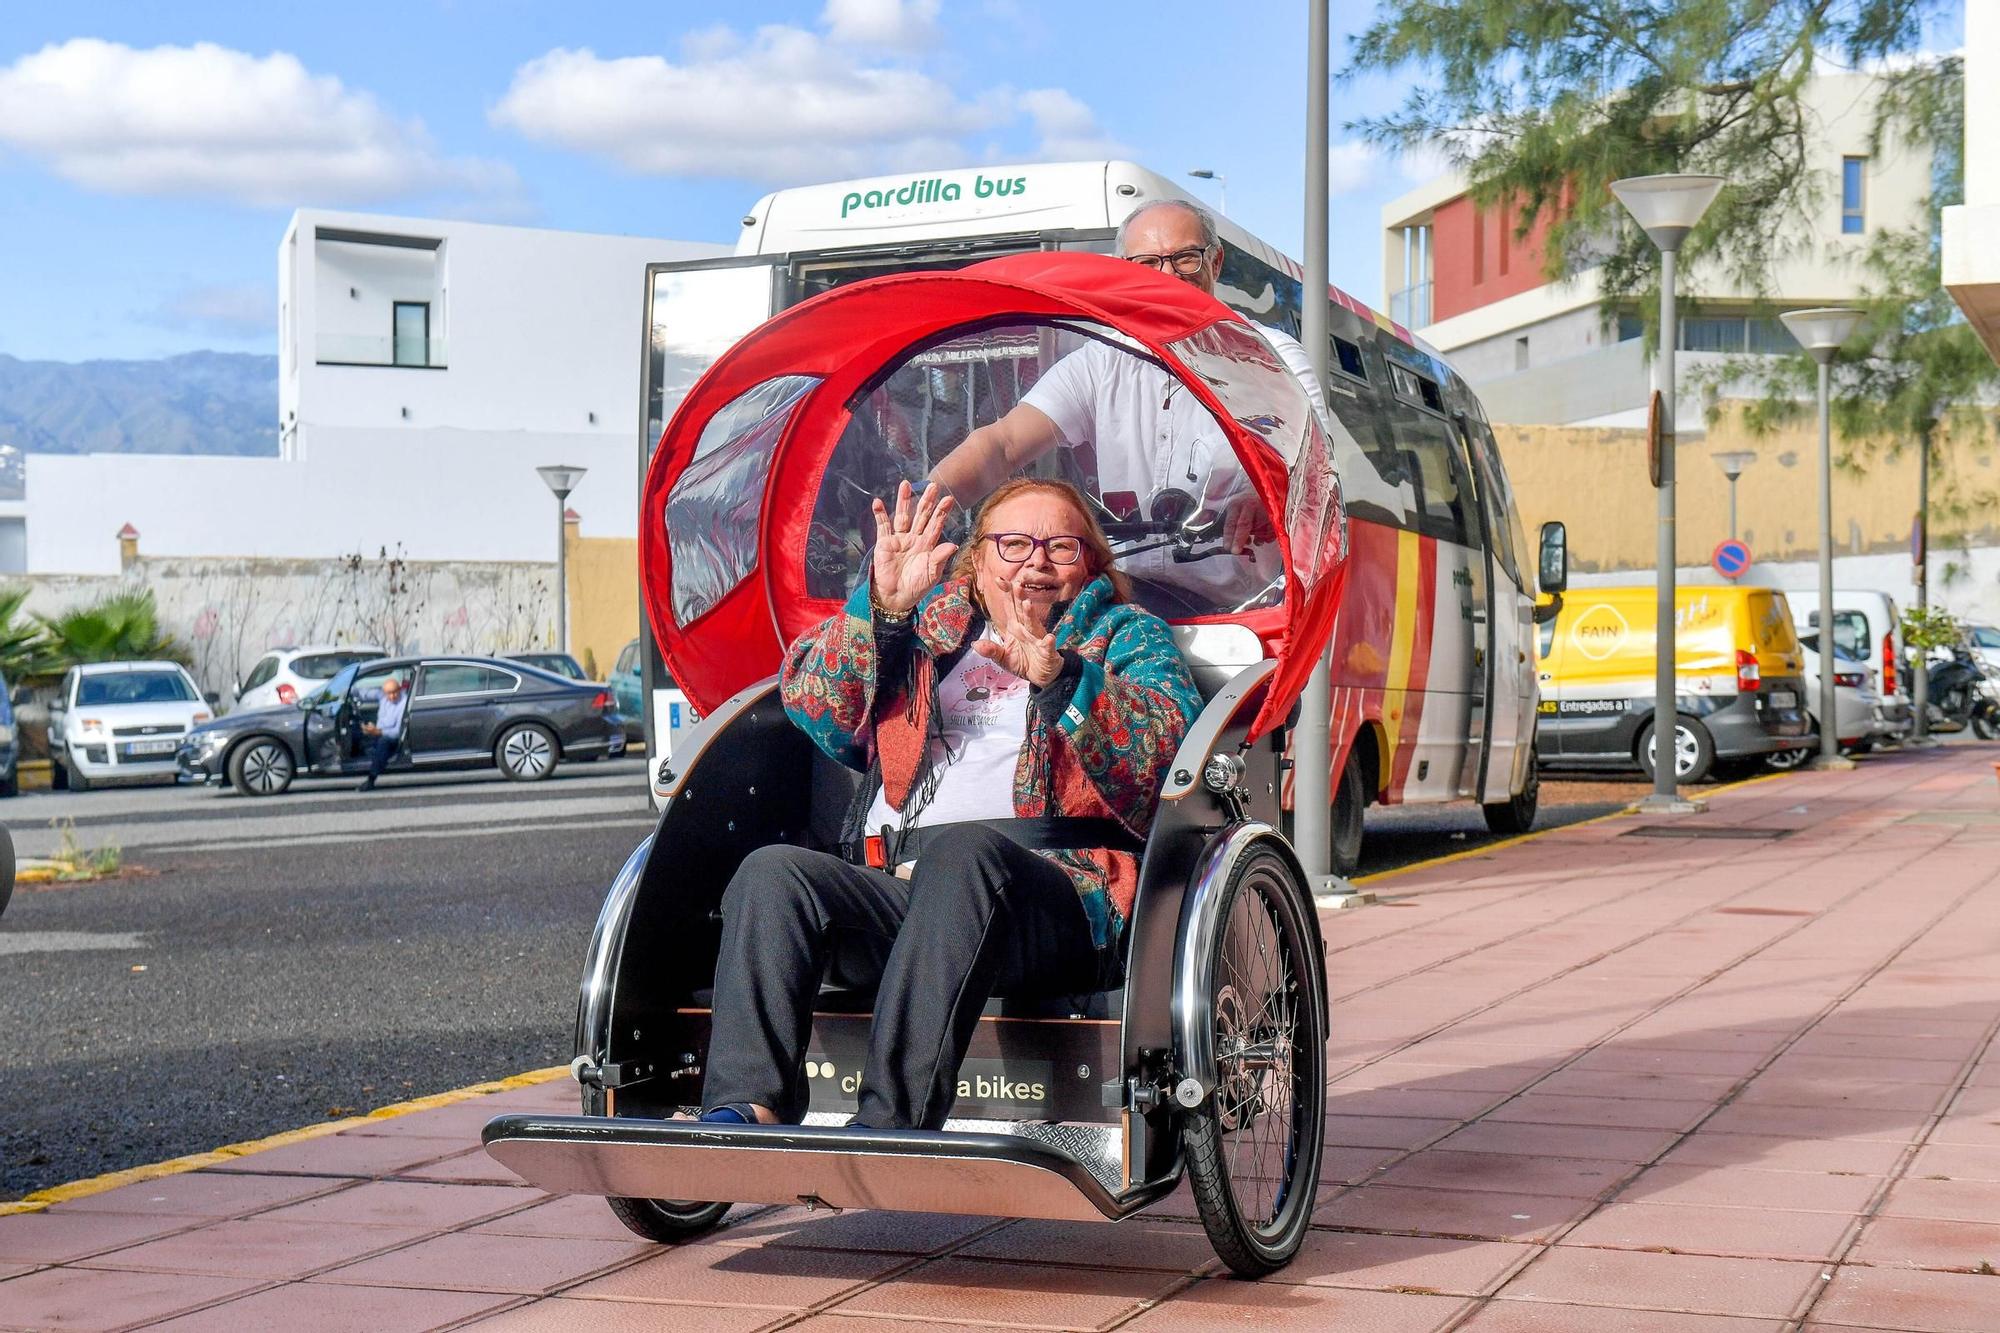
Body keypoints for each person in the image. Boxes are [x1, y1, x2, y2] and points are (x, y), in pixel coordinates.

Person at [700, 477, 1201, 1131]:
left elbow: (1168, 748)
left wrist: (1064, 679)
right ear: (977, 557)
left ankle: (890, 1121)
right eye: (1015, 542)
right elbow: (814, 705)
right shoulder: (923, 630)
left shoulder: (1124, 635)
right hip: (898, 889)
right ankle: (745, 1105)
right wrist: (881, 612)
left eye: (1062, 547)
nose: (1037, 561)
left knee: (963, 853)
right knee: (773, 873)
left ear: (1092, 564)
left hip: (1053, 896)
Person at [927, 199, 1329, 604]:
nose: (1168, 276)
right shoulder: (1099, 363)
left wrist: (1265, 496)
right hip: (1123, 604)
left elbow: (1316, 469)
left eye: (1186, 258)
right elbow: (1002, 444)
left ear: (1216, 262)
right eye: (1148, 264)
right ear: (1124, 271)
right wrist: (921, 507)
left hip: (1243, 617)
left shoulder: (1271, 359)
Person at [356, 675, 407, 792]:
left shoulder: (403, 703)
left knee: (383, 743)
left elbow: (398, 732)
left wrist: (378, 732)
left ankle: (371, 779)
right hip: (376, 733)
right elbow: (362, 693)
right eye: (389, 693)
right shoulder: (382, 696)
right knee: (354, 732)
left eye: (395, 692)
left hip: (391, 739)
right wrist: (347, 689)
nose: (392, 696)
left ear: (399, 690)